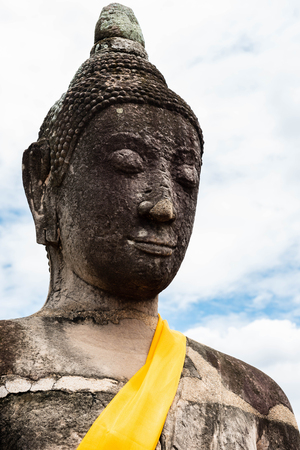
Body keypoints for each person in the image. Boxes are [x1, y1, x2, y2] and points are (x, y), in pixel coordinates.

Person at [0, 4, 299, 449]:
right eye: (127, 164)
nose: (164, 207)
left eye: (186, 179)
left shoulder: (257, 399)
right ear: (42, 187)